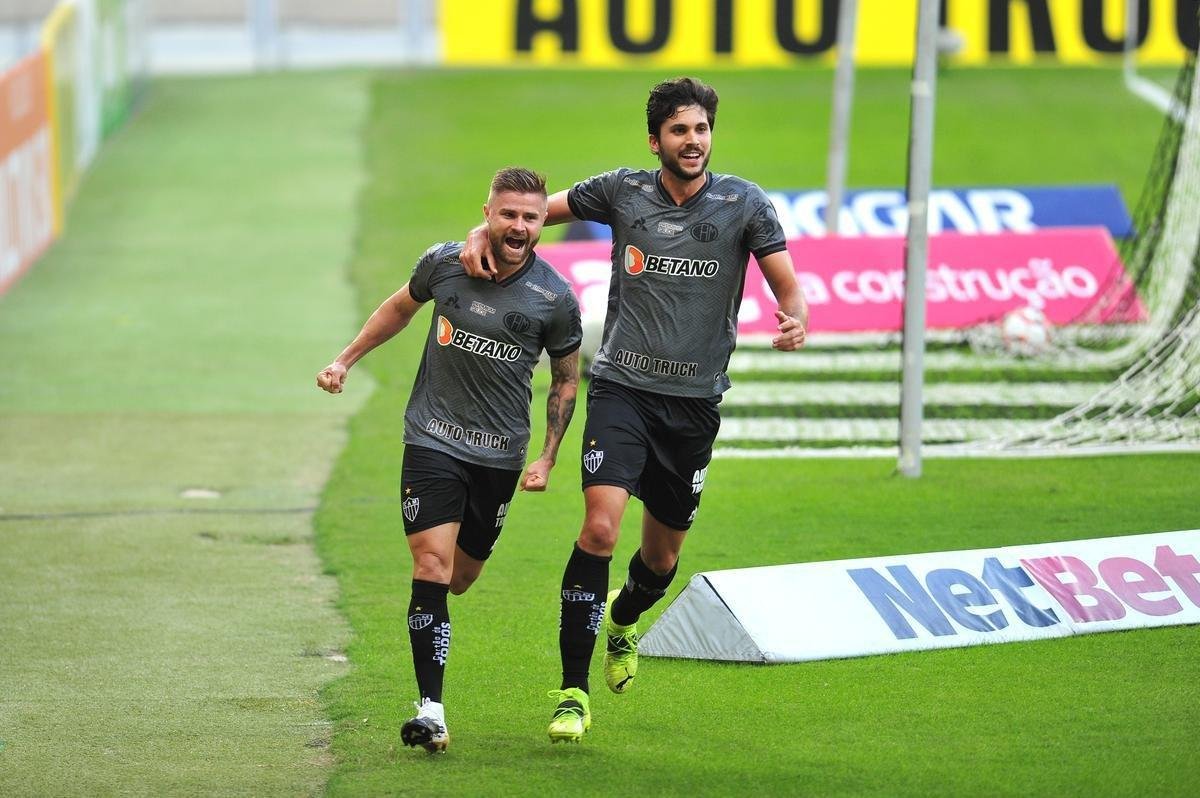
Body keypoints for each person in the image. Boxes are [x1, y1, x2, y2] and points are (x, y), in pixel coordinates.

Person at [459, 78, 808, 743]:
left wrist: (795, 318)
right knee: (599, 530)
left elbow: (787, 284)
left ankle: (623, 620)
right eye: (679, 130)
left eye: (701, 129)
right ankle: (572, 692)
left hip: (695, 405)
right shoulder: (622, 191)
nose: (693, 141)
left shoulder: (744, 203)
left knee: (661, 560)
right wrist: (483, 228)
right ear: (655, 141)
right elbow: (533, 211)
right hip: (621, 390)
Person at [317, 167, 582, 754]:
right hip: (431, 438)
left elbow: (566, 379)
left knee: (460, 578)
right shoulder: (443, 263)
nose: (518, 225)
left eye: (530, 216)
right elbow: (398, 308)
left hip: (499, 454)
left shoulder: (555, 298)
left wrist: (547, 457)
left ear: (543, 221)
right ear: (488, 213)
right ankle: (431, 710)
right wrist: (344, 360)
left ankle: (432, 700)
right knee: (432, 565)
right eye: (507, 213)